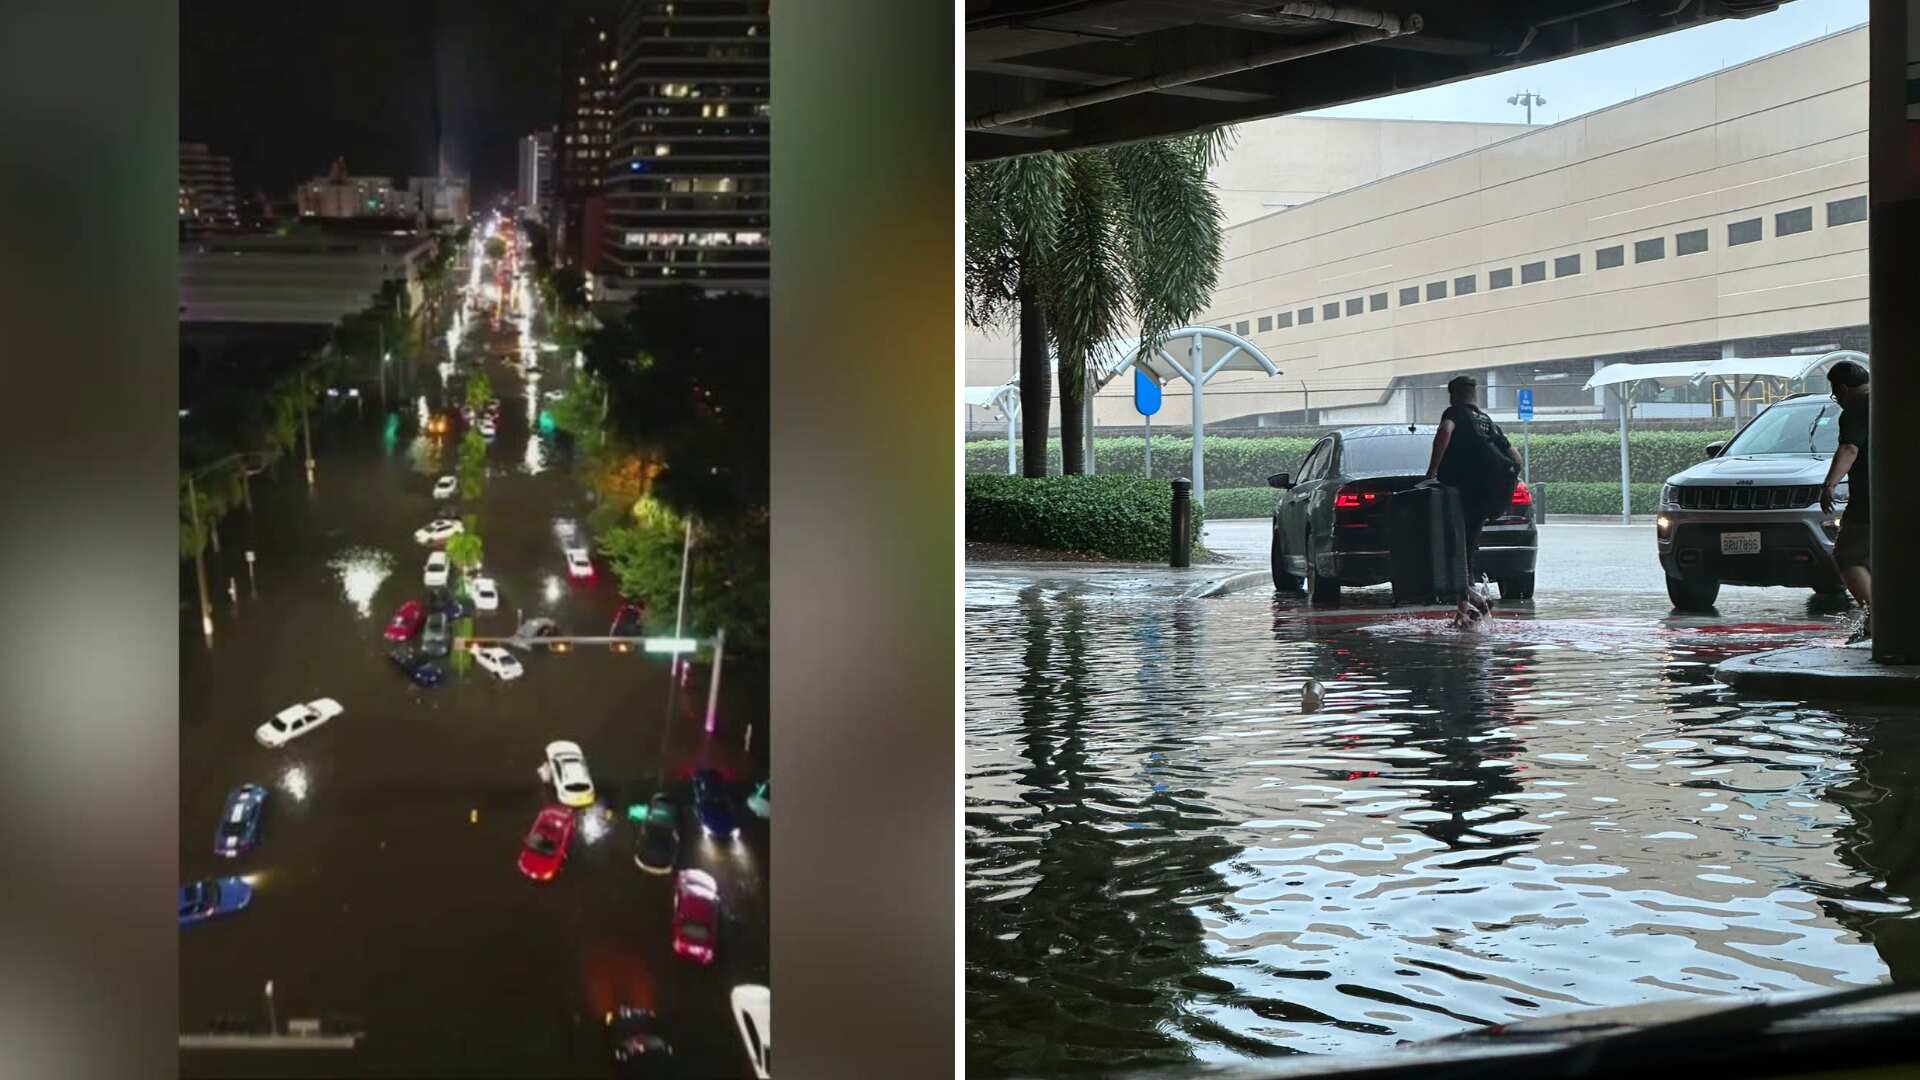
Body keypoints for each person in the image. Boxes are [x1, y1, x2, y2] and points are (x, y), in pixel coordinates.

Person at [1423, 375, 1522, 619]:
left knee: (1456, 545)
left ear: (1453, 395)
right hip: (1487, 494)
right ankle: (1465, 606)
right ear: (1474, 394)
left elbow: (1445, 432)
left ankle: (1473, 597)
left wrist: (1432, 471)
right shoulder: (1487, 421)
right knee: (1468, 544)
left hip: (1462, 491)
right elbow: (1516, 459)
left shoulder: (1454, 413)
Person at [1820, 360, 1871, 642]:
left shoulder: (1856, 409)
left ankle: (1876, 619)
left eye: (1835, 392)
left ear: (1841, 389)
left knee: (1848, 556)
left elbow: (1850, 448)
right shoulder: (1892, 402)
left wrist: (1830, 484)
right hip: (1900, 494)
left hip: (1870, 498)